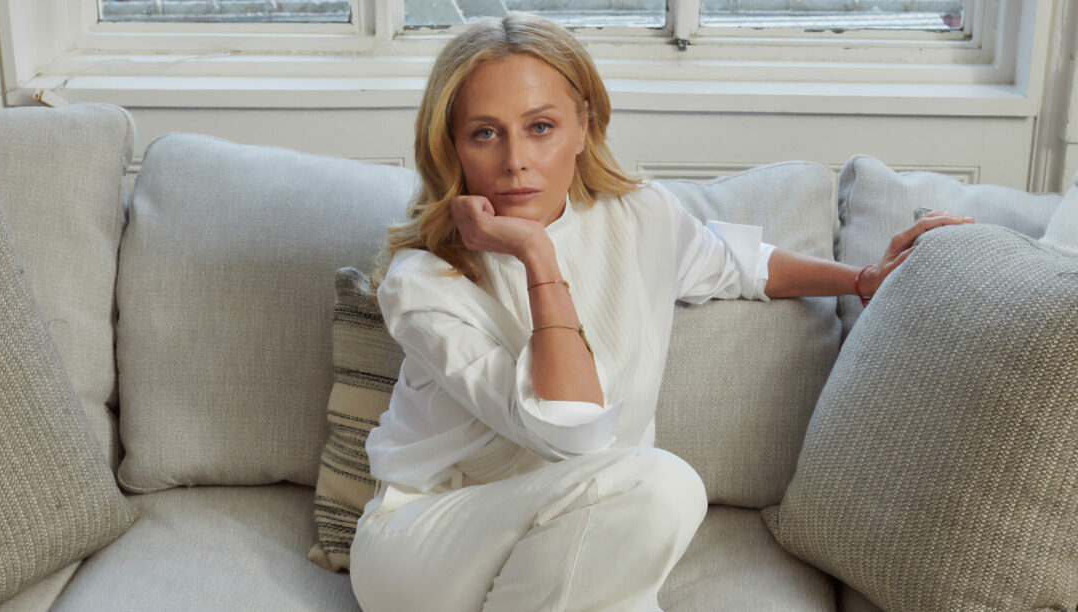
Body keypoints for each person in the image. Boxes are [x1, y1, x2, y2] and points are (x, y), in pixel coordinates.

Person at [348, 12, 974, 612]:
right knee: (662, 485)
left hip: (583, 536)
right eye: (486, 133)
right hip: (429, 549)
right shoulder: (424, 282)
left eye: (540, 126)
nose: (516, 160)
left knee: (642, 507)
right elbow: (574, 432)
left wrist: (863, 279)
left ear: (583, 123)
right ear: (451, 146)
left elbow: (741, 264)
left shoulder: (638, 215)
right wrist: (538, 256)